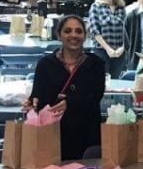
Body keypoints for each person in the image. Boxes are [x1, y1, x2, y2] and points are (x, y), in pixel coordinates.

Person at [23, 15, 105, 161]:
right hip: (54, 134)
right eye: (68, 31)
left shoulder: (96, 64)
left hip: (86, 134)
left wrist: (71, 103)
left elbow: (96, 96)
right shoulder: (45, 64)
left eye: (79, 31)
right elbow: (37, 95)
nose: (73, 35)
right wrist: (31, 103)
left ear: (85, 36)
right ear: (59, 35)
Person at [86, 0, 127, 77]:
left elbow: (128, 32)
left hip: (120, 52)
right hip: (101, 50)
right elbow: (94, 30)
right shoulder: (96, 7)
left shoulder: (121, 8)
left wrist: (122, 49)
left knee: (116, 81)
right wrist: (108, 49)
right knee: (101, 80)